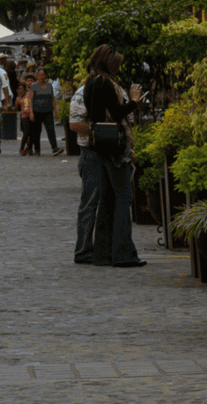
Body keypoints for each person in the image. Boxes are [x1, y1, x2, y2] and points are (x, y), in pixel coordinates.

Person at [71, 44, 144, 268]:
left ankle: (102, 252)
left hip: (99, 146)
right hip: (114, 146)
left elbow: (95, 117)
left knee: (105, 200)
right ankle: (123, 253)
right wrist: (134, 101)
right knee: (123, 199)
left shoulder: (90, 83)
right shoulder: (105, 84)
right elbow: (117, 113)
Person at [29, 67, 63, 156]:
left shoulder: (49, 86)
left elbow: (52, 100)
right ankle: (37, 149)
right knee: (37, 131)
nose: (41, 76)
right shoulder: (34, 86)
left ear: (45, 75)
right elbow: (30, 100)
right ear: (37, 76)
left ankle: (54, 148)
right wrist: (31, 112)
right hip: (37, 111)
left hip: (48, 111)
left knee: (51, 130)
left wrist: (56, 112)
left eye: (43, 74)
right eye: (39, 75)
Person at [16, 80, 33, 155]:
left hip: (31, 116)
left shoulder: (29, 95)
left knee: (31, 134)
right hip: (24, 117)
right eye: (19, 90)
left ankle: (29, 148)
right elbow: (16, 108)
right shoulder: (18, 99)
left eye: (22, 89)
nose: (21, 91)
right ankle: (22, 148)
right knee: (26, 133)